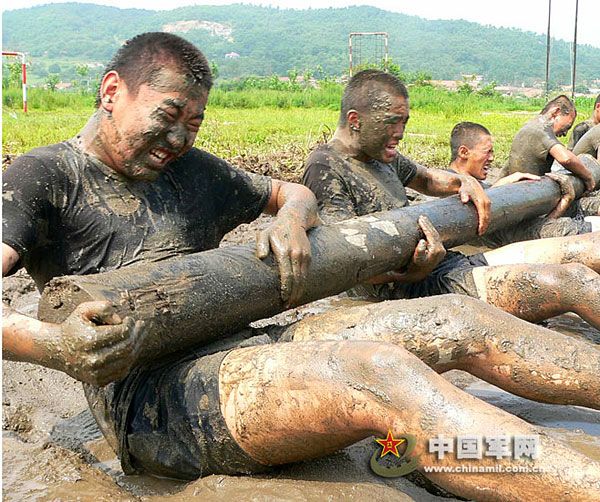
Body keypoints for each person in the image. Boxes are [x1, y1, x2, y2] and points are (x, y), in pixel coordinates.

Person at [3, 36, 600, 500]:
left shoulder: (198, 171)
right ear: (112, 90)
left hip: (239, 339)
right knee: (379, 373)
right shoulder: (43, 178)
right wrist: (51, 343)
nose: (180, 137)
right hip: (152, 398)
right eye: (169, 115)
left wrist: (290, 217)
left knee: (458, 319)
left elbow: (292, 194)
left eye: (195, 123)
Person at [303, 70, 600, 330]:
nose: (401, 133)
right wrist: (413, 273)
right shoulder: (325, 166)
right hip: (407, 291)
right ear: (355, 120)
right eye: (393, 122)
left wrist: (466, 181)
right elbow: (342, 264)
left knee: (590, 247)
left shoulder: (380, 154)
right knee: (569, 283)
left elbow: (428, 179)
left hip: (443, 265)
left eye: (404, 122)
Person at [448, 121, 595, 244]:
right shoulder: (449, 189)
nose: (492, 158)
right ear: (464, 152)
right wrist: (501, 186)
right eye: (487, 152)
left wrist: (564, 202)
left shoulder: (480, 188)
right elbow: (521, 236)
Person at [505, 95, 595, 191]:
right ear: (556, 112)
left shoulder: (530, 125)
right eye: (567, 127)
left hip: (515, 187)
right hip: (528, 191)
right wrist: (588, 177)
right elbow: (566, 159)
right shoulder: (542, 130)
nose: (565, 133)